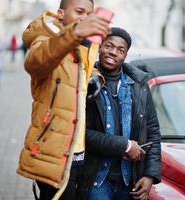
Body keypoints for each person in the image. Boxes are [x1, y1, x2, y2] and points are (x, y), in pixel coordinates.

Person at [16, 0, 111, 199]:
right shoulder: (45, 38)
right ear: (60, 14)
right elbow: (35, 62)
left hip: (78, 151)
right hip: (53, 154)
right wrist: (75, 32)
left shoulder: (82, 46)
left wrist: (95, 77)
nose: (85, 17)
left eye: (89, 13)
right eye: (79, 11)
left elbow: (80, 71)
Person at [77, 27, 161, 200]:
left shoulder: (138, 85)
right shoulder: (86, 82)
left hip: (129, 181)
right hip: (97, 179)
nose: (113, 52)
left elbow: (152, 131)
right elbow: (79, 133)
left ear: (125, 55)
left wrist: (150, 175)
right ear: (100, 47)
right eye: (109, 46)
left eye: (120, 50)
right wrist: (124, 145)